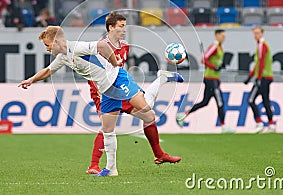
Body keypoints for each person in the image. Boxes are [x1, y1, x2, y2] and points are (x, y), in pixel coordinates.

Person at [18, 25, 177, 177]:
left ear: (57, 41)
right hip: (106, 90)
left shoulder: (77, 47)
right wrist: (31, 80)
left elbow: (102, 46)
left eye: (47, 45)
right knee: (107, 130)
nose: (46, 48)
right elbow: (47, 71)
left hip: (117, 80)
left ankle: (162, 78)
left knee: (147, 108)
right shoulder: (63, 57)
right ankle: (111, 169)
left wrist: (114, 64)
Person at [86, 12, 182, 175]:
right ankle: (93, 165)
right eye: (121, 26)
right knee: (106, 126)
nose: (124, 30)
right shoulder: (100, 47)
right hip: (104, 91)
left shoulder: (124, 46)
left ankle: (159, 155)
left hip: (121, 89)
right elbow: (93, 73)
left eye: (125, 26)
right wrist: (100, 92)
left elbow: (118, 69)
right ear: (111, 27)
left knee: (148, 115)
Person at [176, 30, 234, 133]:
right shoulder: (214, 47)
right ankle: (224, 126)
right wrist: (214, 67)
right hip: (211, 79)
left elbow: (213, 61)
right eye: (222, 35)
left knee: (205, 102)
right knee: (220, 102)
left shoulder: (220, 47)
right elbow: (203, 59)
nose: (223, 38)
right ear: (216, 36)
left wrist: (219, 66)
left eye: (224, 36)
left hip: (213, 79)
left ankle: (183, 114)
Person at [243, 26, 275, 133]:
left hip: (263, 77)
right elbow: (257, 65)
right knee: (265, 101)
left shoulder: (262, 45)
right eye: (254, 33)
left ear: (262, 34)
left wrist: (258, 78)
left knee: (251, 100)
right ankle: (271, 125)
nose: (255, 35)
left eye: (257, 33)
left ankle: (259, 123)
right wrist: (249, 77)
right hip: (266, 77)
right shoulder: (261, 45)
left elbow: (261, 63)